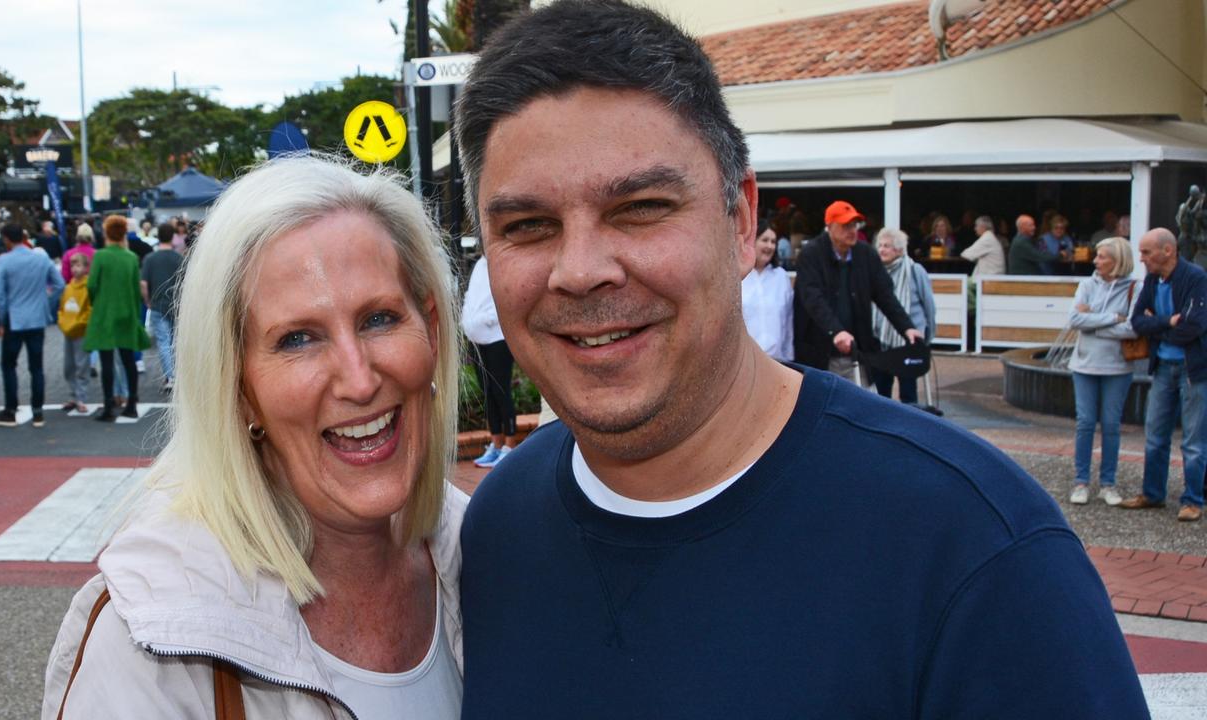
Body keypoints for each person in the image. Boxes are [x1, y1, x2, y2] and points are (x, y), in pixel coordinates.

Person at [452, 1, 1147, 717]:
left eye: (641, 208)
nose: (581, 270)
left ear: (741, 215)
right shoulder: (501, 527)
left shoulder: (972, 549)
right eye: (528, 225)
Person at [43, 156, 465, 719]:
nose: (360, 380)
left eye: (379, 319)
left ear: (431, 331)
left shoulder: (487, 549)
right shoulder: (150, 644)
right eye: (297, 339)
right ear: (237, 388)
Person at [1123, 227, 1206, 522]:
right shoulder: (1152, 280)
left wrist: (1157, 325)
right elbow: (1136, 322)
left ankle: (1193, 500)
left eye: (1146, 252)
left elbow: (1194, 326)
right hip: (1162, 367)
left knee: (1193, 441)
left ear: (1167, 251)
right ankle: (1153, 494)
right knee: (1155, 436)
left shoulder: (1196, 278)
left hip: (1192, 370)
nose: (1142, 258)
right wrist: (1168, 321)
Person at [793, 199, 922, 384]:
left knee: (858, 401)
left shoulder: (866, 254)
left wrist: (907, 327)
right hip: (820, 350)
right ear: (830, 226)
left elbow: (885, 296)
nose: (852, 230)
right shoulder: (811, 254)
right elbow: (813, 298)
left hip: (858, 350)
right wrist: (836, 331)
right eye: (846, 225)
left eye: (854, 224)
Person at [1067, 236, 1139, 506]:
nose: (1096, 260)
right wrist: (1111, 319)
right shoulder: (1087, 284)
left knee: (1111, 425)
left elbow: (1132, 327)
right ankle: (1081, 481)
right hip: (1084, 363)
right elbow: (1074, 319)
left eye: (1102, 256)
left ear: (1117, 260)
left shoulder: (1135, 287)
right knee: (1085, 423)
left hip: (1117, 366)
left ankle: (1108, 483)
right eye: (1096, 256)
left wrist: (1092, 320)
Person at [0, 224, 64, 428]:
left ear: (6, 239)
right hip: (37, 318)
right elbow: (59, 284)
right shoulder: (41, 258)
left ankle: (11, 410)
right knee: (36, 367)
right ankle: (38, 412)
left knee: (8, 365)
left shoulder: (4, 260)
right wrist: (45, 304)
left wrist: (2, 318)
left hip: (14, 318)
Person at [82, 216, 149, 422]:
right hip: (127, 312)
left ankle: (109, 405)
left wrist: (97, 302)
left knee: (107, 362)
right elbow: (135, 288)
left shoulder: (101, 256)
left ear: (106, 233)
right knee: (129, 361)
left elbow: (92, 285)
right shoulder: (130, 257)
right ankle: (132, 403)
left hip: (105, 312)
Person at [461, 252, 518, 467]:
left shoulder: (502, 264)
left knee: (501, 391)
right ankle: (495, 445)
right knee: (488, 394)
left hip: (497, 338)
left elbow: (507, 297)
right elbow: (471, 296)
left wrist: (487, 320)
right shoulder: (479, 266)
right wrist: (467, 320)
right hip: (477, 340)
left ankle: (509, 447)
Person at [868, 228, 935, 404]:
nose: (882, 250)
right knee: (881, 392)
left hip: (908, 341)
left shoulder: (914, 270)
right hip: (880, 339)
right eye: (880, 245)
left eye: (887, 246)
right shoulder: (874, 271)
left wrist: (928, 336)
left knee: (908, 391)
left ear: (898, 250)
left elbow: (928, 305)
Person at [741, 225, 793, 361]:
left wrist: (789, 356)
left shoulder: (781, 277)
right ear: (752, 240)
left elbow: (788, 320)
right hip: (744, 361)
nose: (770, 246)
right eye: (765, 240)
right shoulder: (738, 275)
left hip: (777, 361)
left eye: (773, 241)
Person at [139, 223, 182, 392]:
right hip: (175, 304)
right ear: (172, 237)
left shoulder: (150, 259)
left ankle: (170, 377)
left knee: (163, 341)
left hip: (157, 304)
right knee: (175, 341)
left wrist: (147, 300)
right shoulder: (179, 258)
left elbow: (143, 283)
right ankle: (178, 375)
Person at [58, 253, 93, 414]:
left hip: (81, 331)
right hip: (68, 331)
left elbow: (89, 310)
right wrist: (63, 322)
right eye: (72, 265)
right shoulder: (68, 287)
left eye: (78, 265)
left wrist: (80, 323)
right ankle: (73, 394)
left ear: (86, 268)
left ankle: (82, 397)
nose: (74, 269)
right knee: (69, 366)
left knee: (82, 366)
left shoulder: (87, 287)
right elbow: (62, 308)